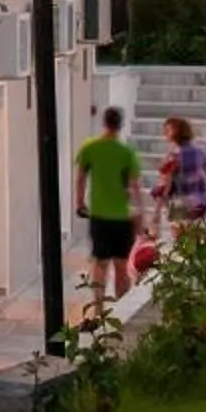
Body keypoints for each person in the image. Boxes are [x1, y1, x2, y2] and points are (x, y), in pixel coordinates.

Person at [72, 106, 144, 307]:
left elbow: (81, 177)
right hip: (122, 217)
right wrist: (141, 217)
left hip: (99, 216)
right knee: (121, 265)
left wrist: (80, 202)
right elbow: (135, 187)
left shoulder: (90, 147)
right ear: (120, 125)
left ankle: (98, 307)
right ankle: (121, 308)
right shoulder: (126, 152)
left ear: (104, 123)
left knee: (100, 262)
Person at [159, 114, 206, 242]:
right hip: (199, 200)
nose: (165, 134)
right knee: (198, 240)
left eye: (168, 130)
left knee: (180, 241)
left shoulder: (173, 156)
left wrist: (163, 201)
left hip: (180, 201)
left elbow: (167, 182)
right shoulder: (200, 151)